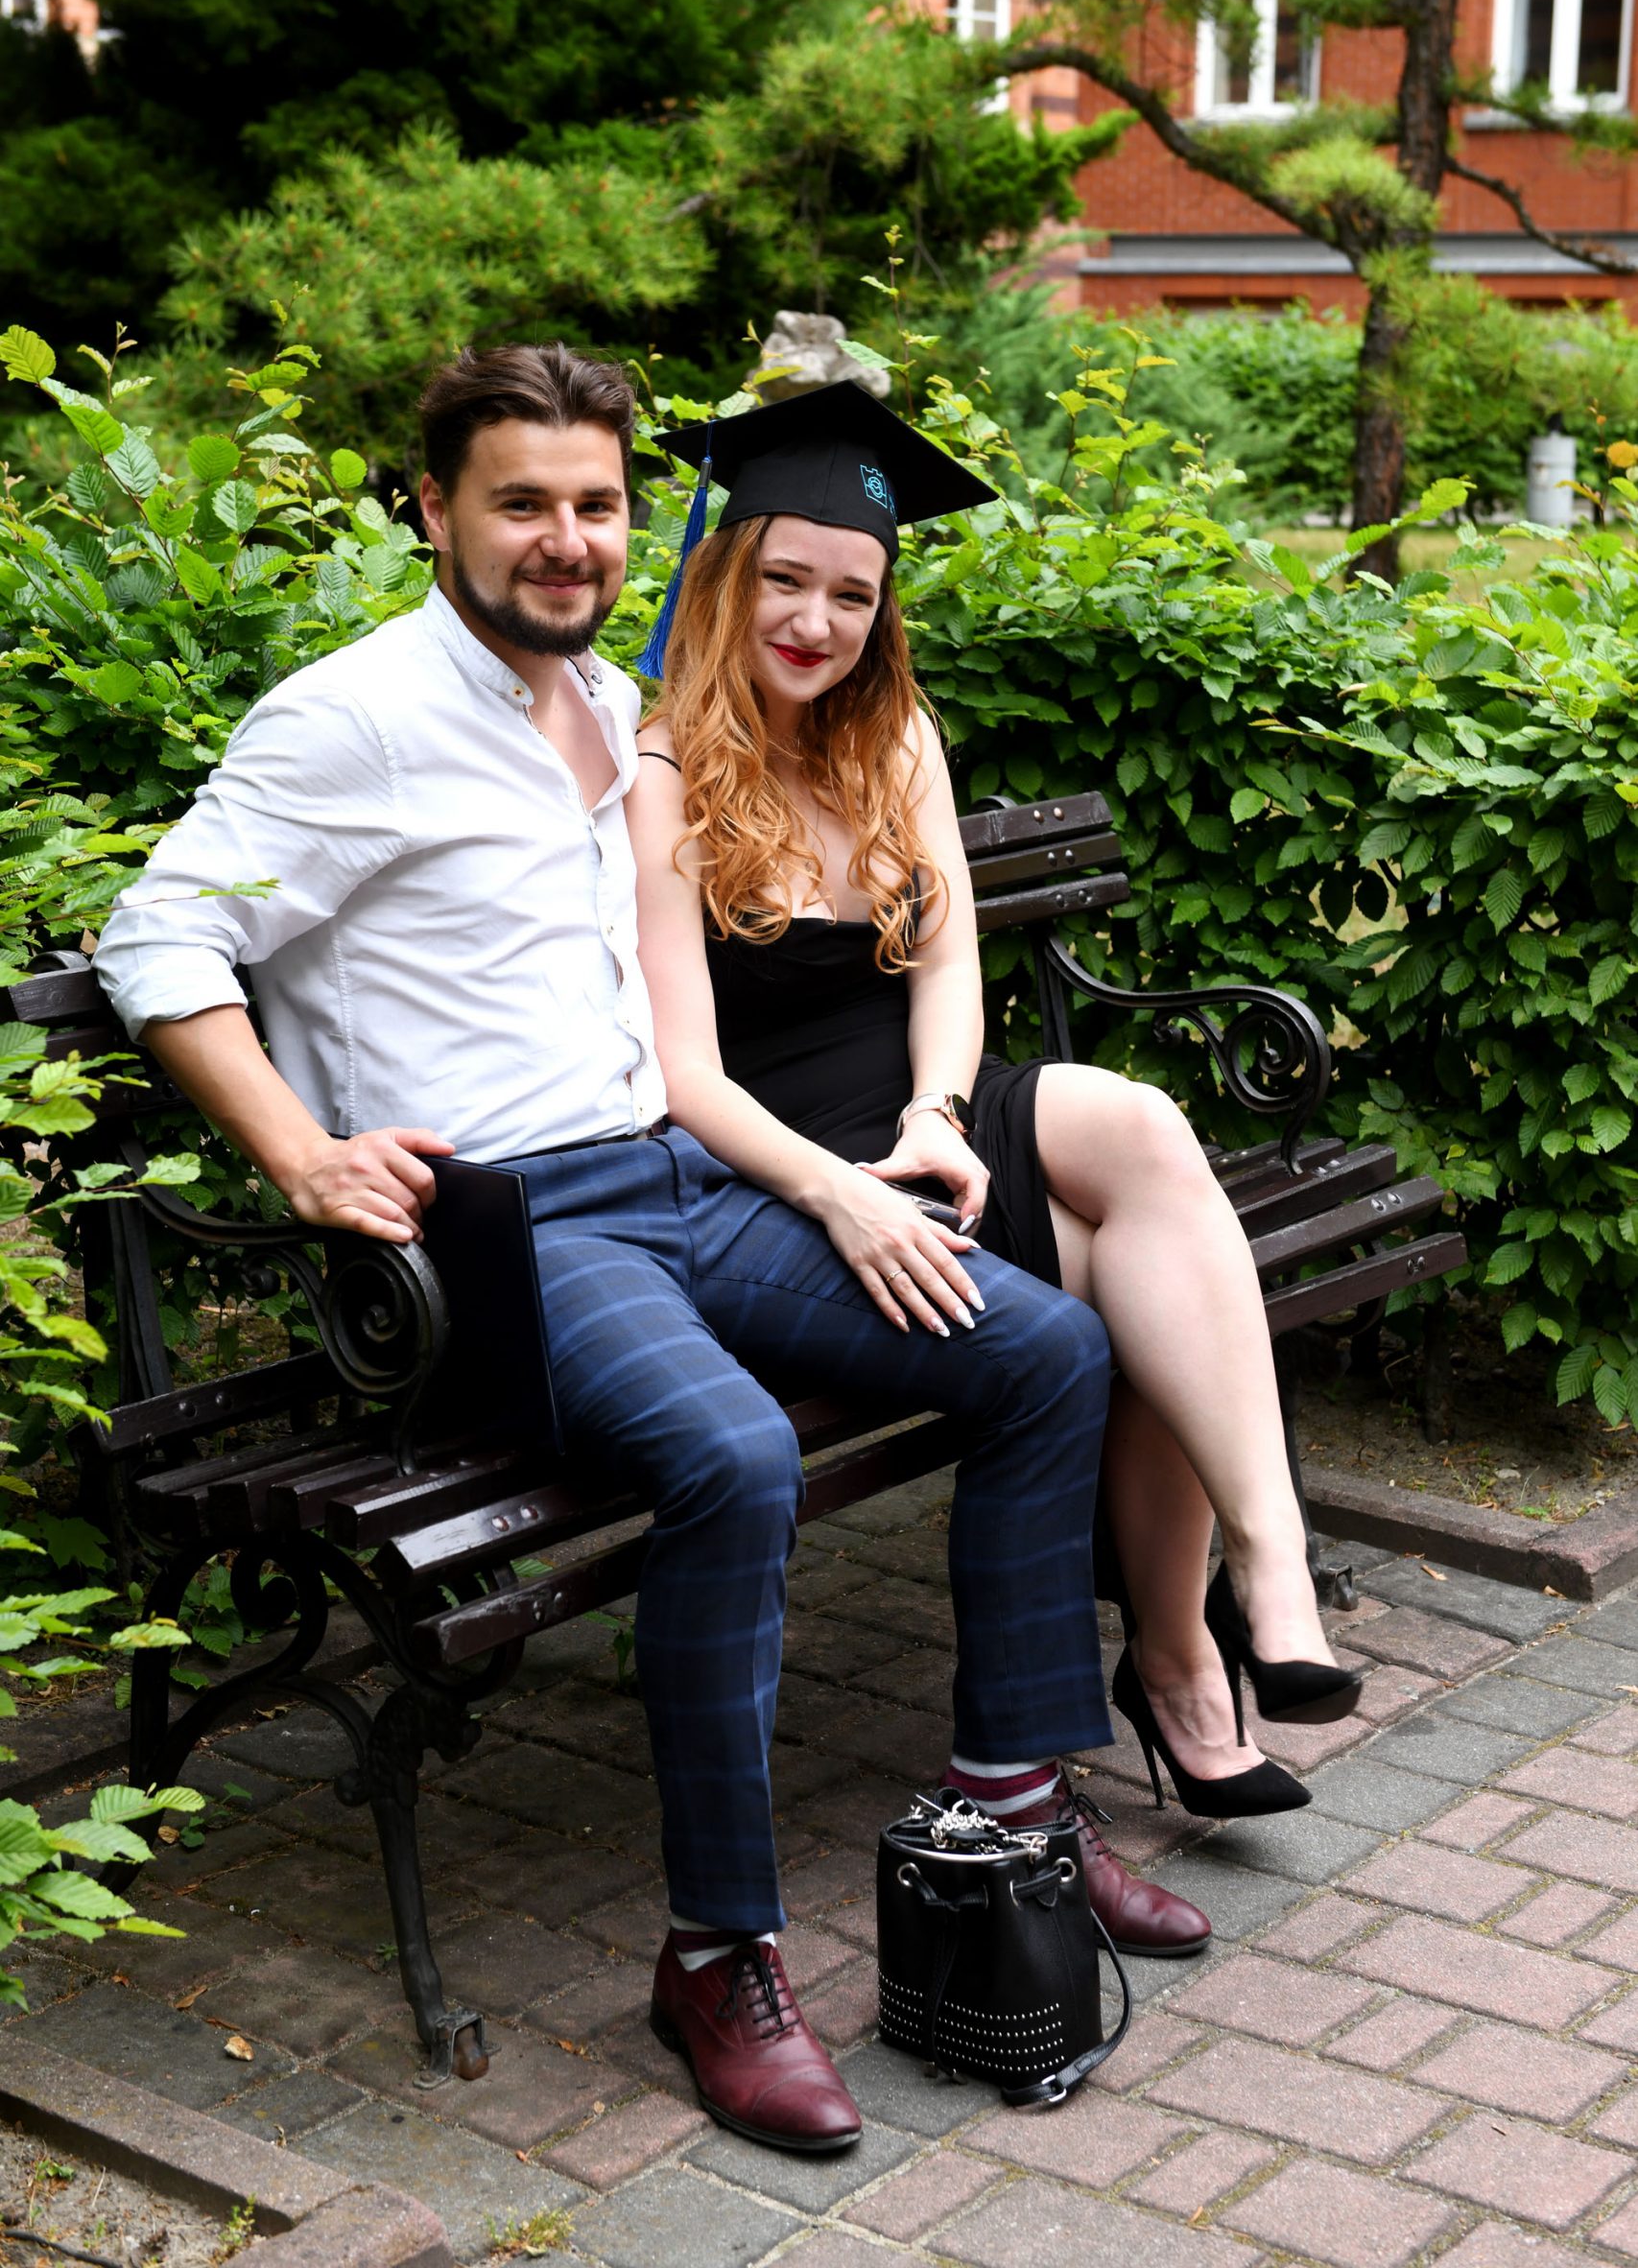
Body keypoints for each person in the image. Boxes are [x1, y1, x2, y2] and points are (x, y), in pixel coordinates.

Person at [91, 342, 1192, 2160]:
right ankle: (717, 1956)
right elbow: (159, 939)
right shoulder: (351, 719)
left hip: (672, 1182)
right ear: (432, 507)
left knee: (1045, 1351)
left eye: (595, 504)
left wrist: (853, 1158)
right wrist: (298, 1151)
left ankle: (1010, 1817)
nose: (567, 538)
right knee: (735, 1456)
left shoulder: (614, 704)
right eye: (521, 502)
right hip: (506, 1233)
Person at [626, 381, 1363, 1840]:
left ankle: (1266, 1567)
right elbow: (681, 1077)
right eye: (785, 580)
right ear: (723, 580)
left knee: (1139, 1131)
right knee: (1142, 1299)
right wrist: (853, 1179)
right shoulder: (663, 779)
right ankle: (1182, 1666)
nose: (816, 621)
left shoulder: (892, 734)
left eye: (852, 593)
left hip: (917, 1120)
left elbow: (949, 960)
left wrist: (939, 1109)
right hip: (781, 1166)